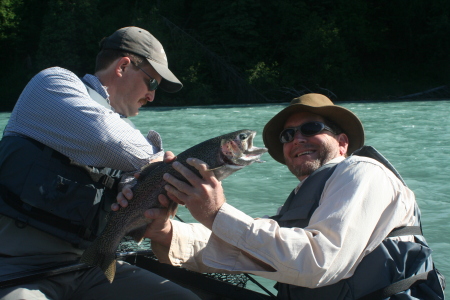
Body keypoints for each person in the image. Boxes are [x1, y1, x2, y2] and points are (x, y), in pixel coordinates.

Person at [117, 93, 445, 299]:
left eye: (311, 128)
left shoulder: (363, 173)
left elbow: (318, 261)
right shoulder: (302, 200)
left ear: (343, 143)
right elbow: (240, 251)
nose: (297, 139)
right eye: (288, 135)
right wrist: (164, 231)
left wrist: (217, 213)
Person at [0, 26, 200, 299]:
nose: (152, 96)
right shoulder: (51, 85)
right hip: (13, 268)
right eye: (152, 82)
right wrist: (160, 164)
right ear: (123, 66)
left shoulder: (128, 134)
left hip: (87, 267)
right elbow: (105, 137)